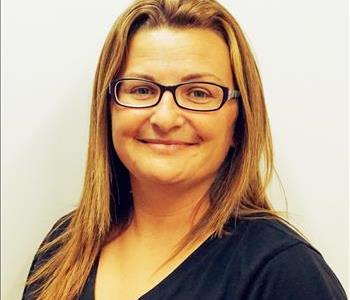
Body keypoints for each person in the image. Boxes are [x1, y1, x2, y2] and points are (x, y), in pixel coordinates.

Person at [22, 0, 347, 299]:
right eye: (142, 89)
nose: (165, 117)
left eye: (199, 93)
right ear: (108, 110)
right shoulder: (64, 246)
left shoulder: (284, 273)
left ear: (239, 122)